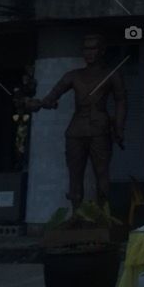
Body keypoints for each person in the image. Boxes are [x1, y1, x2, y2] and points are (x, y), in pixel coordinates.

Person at [26, 33, 127, 209]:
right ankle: (76, 216)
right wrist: (42, 103)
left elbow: (121, 100)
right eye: (86, 48)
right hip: (76, 130)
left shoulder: (111, 74)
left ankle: (103, 215)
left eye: (93, 48)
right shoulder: (73, 75)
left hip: (99, 129)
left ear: (101, 50)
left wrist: (119, 127)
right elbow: (53, 95)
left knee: (102, 173)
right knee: (75, 174)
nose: (89, 53)